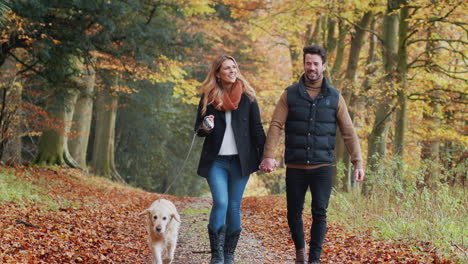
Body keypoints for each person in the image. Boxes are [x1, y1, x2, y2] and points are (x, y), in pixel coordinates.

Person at [259, 44, 365, 264]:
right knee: (293, 214)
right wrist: (268, 155)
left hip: (322, 167)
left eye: (316, 63)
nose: (312, 67)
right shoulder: (290, 94)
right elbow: (277, 124)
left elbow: (348, 131)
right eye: (308, 63)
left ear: (323, 66)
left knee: (320, 213)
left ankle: (314, 258)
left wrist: (358, 162)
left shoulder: (335, 97)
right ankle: (300, 252)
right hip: (296, 166)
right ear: (304, 65)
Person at [194, 55, 266, 264]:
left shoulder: (248, 97)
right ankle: (216, 256)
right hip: (216, 161)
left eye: (234, 67)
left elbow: (257, 130)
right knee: (221, 203)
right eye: (227, 68)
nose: (232, 71)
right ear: (218, 73)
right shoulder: (208, 97)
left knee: (234, 206)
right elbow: (198, 130)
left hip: (240, 162)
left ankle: (229, 255)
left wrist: (265, 156)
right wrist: (205, 126)